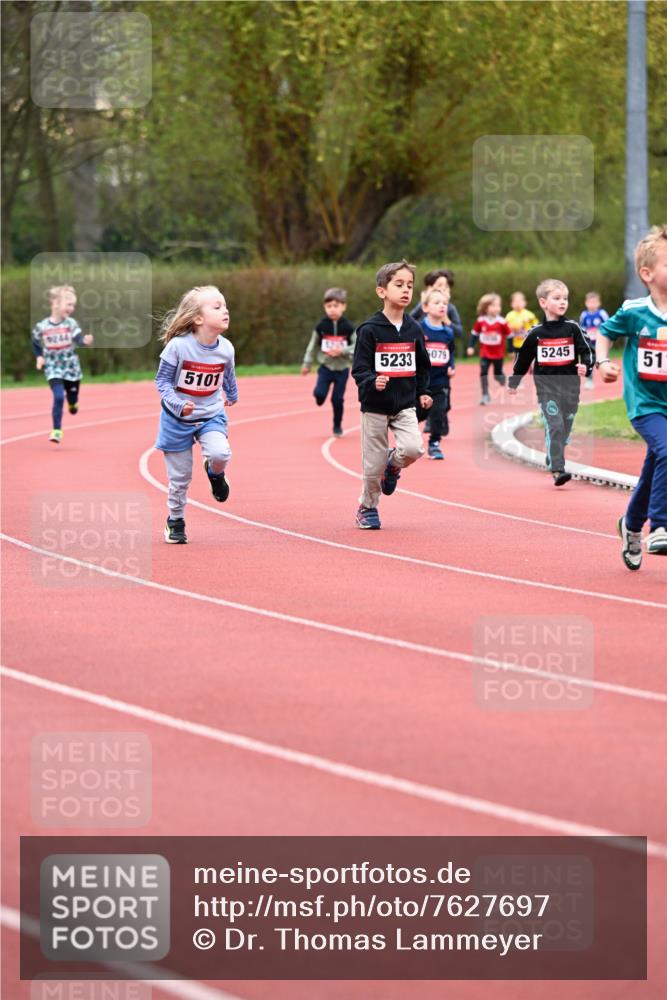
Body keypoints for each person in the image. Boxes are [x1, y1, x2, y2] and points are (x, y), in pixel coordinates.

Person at [596, 225, 667, 567]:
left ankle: (632, 525)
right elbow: (604, 334)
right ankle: (662, 526)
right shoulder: (635, 310)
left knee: (656, 465)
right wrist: (603, 361)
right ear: (647, 273)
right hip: (645, 404)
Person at [351, 259, 431, 529]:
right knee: (372, 467)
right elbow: (359, 368)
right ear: (382, 291)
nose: (406, 290)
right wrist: (373, 381)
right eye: (399, 285)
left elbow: (422, 366)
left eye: (410, 285)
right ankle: (367, 507)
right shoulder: (370, 330)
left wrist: (424, 392)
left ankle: (393, 463)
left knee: (413, 449)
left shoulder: (414, 329)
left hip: (405, 404)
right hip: (374, 405)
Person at [154, 285, 238, 544]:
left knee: (220, 453)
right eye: (217, 307)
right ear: (198, 318)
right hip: (176, 419)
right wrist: (179, 404)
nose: (225, 310)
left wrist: (232, 395)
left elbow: (228, 376)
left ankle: (215, 474)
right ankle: (175, 520)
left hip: (210, 415)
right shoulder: (178, 347)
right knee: (180, 478)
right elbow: (162, 383)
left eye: (225, 306)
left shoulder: (226, 349)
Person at [508, 279, 592, 486]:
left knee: (565, 426)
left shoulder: (573, 329)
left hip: (571, 388)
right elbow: (523, 359)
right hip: (547, 389)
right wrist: (514, 381)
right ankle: (557, 469)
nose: (563, 302)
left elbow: (587, 349)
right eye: (557, 298)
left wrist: (587, 367)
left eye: (565, 298)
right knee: (555, 424)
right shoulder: (536, 334)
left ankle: (554, 451)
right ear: (543, 302)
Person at [31, 285, 94, 443]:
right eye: (69, 304)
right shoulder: (42, 326)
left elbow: (78, 337)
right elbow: (35, 341)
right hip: (53, 368)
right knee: (59, 396)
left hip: (71, 367)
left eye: (73, 305)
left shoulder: (70, 324)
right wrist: (39, 357)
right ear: (55, 303)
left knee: (72, 398)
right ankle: (57, 430)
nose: (71, 308)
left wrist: (84, 341)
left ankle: (73, 402)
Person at [301, 287, 356, 437]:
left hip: (342, 369)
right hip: (325, 367)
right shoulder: (321, 326)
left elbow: (356, 345)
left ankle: (337, 426)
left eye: (336, 306)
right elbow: (312, 346)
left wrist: (342, 351)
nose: (332, 310)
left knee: (337, 399)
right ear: (325, 307)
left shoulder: (348, 327)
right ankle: (319, 397)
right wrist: (307, 363)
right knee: (319, 393)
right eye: (329, 306)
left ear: (343, 306)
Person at [418, 287, 456, 460]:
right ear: (425, 307)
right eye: (437, 302)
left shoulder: (448, 332)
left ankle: (434, 444)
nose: (442, 306)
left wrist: (451, 366)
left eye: (445, 303)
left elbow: (451, 352)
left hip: (440, 382)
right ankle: (407, 436)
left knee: (439, 413)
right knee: (418, 414)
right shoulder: (419, 329)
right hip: (420, 384)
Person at [466, 293, 511, 404]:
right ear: (485, 308)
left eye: (498, 305)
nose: (497, 308)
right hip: (485, 353)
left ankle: (501, 378)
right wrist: (471, 346)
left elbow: (510, 336)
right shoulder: (481, 321)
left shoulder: (502, 322)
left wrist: (511, 350)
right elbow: (474, 334)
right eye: (494, 305)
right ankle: (485, 395)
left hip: (498, 354)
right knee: (483, 372)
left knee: (497, 374)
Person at [410, 268, 464, 354]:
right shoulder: (423, 305)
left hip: (442, 350)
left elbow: (460, 332)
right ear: (429, 288)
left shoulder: (450, 308)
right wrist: (424, 303)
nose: (443, 289)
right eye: (440, 285)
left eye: (446, 286)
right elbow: (408, 322)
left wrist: (447, 321)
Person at [579, 291, 609, 389]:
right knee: (588, 362)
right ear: (586, 303)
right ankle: (589, 381)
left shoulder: (602, 314)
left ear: (599, 303)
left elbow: (608, 325)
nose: (592, 305)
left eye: (594, 302)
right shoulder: (584, 315)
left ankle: (608, 376)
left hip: (600, 344)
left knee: (601, 361)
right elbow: (581, 327)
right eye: (590, 302)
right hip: (589, 344)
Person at [505, 290, 538, 357]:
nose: (518, 304)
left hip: (527, 343)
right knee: (517, 364)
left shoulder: (529, 314)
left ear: (525, 303)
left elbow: (536, 326)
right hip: (515, 344)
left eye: (520, 301)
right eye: (515, 302)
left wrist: (529, 321)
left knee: (528, 362)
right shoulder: (509, 315)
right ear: (511, 304)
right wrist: (513, 326)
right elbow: (506, 328)